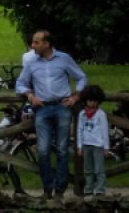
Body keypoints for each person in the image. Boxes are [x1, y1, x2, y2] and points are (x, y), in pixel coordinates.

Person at [16, 30, 89, 198]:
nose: (32, 46)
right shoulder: (31, 62)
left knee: (63, 150)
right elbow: (20, 83)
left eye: (36, 42)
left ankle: (60, 189)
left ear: (46, 44)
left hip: (62, 107)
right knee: (43, 150)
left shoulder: (64, 58)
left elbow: (81, 77)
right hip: (42, 108)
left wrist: (76, 96)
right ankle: (47, 188)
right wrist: (29, 95)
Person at [77, 84, 110, 196]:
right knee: (88, 169)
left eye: (95, 101)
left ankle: (100, 189)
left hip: (98, 145)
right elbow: (79, 130)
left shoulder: (101, 114)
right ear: (85, 100)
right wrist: (79, 146)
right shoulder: (82, 114)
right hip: (86, 145)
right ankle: (88, 189)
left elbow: (105, 131)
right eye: (90, 100)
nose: (93, 103)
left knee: (99, 169)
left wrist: (106, 147)